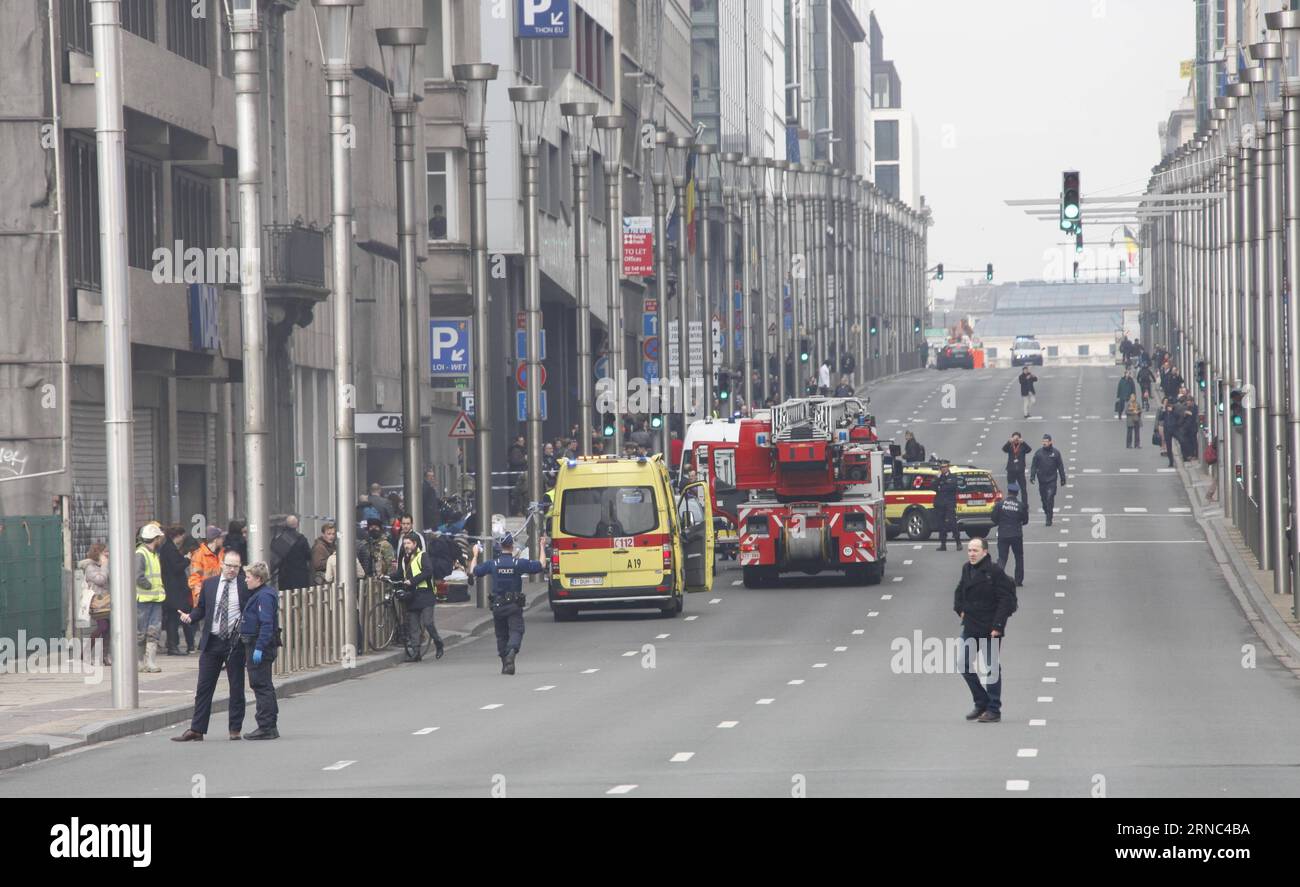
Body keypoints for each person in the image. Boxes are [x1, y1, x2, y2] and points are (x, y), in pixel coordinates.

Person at [172, 550, 250, 741]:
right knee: (204, 686)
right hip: (212, 641)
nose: (232, 570)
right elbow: (202, 608)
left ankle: (235, 729)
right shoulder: (210, 584)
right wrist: (190, 617)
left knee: (237, 686)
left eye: (236, 567)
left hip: (234, 642)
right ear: (222, 564)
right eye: (229, 565)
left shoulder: (244, 585)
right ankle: (197, 729)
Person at [953, 536, 1018, 724]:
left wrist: (998, 626)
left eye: (975, 550)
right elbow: (959, 591)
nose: (971, 554)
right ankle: (981, 701)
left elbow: (1006, 600)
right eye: (969, 550)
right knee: (963, 663)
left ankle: (994, 709)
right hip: (971, 626)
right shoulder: (966, 569)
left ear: (985, 552)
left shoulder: (995, 572)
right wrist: (960, 610)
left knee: (991, 669)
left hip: (990, 628)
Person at [470, 534, 544, 675]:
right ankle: (511, 651)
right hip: (514, 606)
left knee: (501, 635)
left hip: (498, 605)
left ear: (500, 546)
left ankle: (506, 664)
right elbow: (541, 566)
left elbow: (474, 571)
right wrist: (541, 546)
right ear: (512, 546)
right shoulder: (518, 563)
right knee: (516, 630)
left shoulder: (493, 564)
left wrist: (474, 555)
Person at [239, 562, 280, 740]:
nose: (246, 580)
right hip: (258, 644)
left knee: (261, 685)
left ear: (258, 579)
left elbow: (266, 624)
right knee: (264, 685)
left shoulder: (263, 596)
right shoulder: (262, 594)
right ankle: (269, 725)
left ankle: (266, 726)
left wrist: (259, 648)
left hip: (259, 644)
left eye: (248, 577)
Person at [391, 531, 445, 661]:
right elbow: (400, 572)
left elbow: (428, 571)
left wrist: (412, 581)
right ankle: (416, 653)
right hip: (412, 595)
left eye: (408, 543)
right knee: (413, 626)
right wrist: (387, 576)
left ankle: (438, 642)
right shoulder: (404, 558)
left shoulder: (422, 555)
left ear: (415, 544)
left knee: (428, 622)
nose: (406, 546)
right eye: (404, 543)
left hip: (425, 594)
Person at [134, 524, 167, 673]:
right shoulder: (141, 553)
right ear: (155, 538)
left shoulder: (153, 553)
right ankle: (140, 662)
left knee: (154, 631)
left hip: (155, 599)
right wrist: (149, 586)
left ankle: (150, 662)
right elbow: (138, 576)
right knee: (141, 632)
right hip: (143, 599)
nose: (161, 539)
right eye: (159, 537)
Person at [160, 526, 194, 655]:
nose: (181, 540)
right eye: (181, 537)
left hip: (172, 589)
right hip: (174, 589)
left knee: (173, 618)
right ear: (178, 536)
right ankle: (173, 645)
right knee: (174, 618)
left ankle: (173, 644)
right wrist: (187, 560)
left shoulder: (167, 548)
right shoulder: (170, 549)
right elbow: (176, 567)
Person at [991, 482, 1029, 586]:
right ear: (1017, 493)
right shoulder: (1021, 506)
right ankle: (1018, 580)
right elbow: (1025, 521)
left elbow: (993, 518)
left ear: (1008, 492)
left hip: (1003, 533)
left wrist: (1001, 522)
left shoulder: (1000, 504)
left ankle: (997, 578)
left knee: (1002, 557)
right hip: (1016, 534)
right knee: (1019, 557)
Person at [1029, 434, 1068, 526]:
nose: (1044, 443)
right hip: (1042, 480)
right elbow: (1034, 465)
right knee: (1044, 500)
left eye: (1046, 441)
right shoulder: (1038, 453)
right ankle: (1046, 510)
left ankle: (1049, 518)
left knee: (1050, 497)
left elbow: (1060, 466)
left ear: (1050, 442)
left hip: (1052, 480)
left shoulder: (1056, 453)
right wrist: (1032, 476)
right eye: (1043, 441)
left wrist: (1063, 478)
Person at [83, 543, 111, 666]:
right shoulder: (90, 567)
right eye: (105, 552)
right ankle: (85, 653)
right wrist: (105, 566)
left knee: (108, 629)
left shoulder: (103, 565)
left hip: (106, 601)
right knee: (103, 627)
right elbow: (100, 580)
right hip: (96, 602)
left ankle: (105, 656)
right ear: (98, 553)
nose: (107, 554)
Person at [270, 514, 311, 591]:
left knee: (286, 599)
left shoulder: (280, 539)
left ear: (286, 524)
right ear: (297, 525)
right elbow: (308, 555)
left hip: (285, 577)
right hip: (300, 576)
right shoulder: (302, 539)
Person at [188, 527, 224, 615]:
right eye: (221, 538)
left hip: (219, 599)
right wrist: (201, 599)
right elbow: (194, 580)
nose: (223, 540)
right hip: (205, 600)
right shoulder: (199, 555)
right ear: (216, 540)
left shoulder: (222, 554)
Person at [933, 461, 961, 552]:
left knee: (953, 523)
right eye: (941, 467)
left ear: (948, 467)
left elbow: (952, 487)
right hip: (940, 504)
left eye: (945, 467)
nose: (943, 469)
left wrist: (942, 485)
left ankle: (958, 542)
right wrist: (938, 479)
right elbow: (932, 487)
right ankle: (943, 544)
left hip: (949, 503)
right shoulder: (938, 477)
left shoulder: (953, 477)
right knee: (941, 525)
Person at [1161, 401, 1180, 468]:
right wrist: (1163, 410)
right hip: (1167, 431)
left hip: (1174, 430)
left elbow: (1178, 417)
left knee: (1181, 440)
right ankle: (1171, 462)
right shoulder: (1165, 413)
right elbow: (1161, 418)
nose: (1169, 408)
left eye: (1170, 407)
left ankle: (1185, 456)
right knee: (1169, 447)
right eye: (1168, 407)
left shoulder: (1174, 413)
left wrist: (1177, 425)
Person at [422, 469, 441, 533]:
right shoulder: (425, 486)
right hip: (428, 518)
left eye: (433, 476)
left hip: (433, 517)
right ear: (426, 477)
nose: (432, 478)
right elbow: (424, 499)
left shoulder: (430, 487)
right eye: (430, 476)